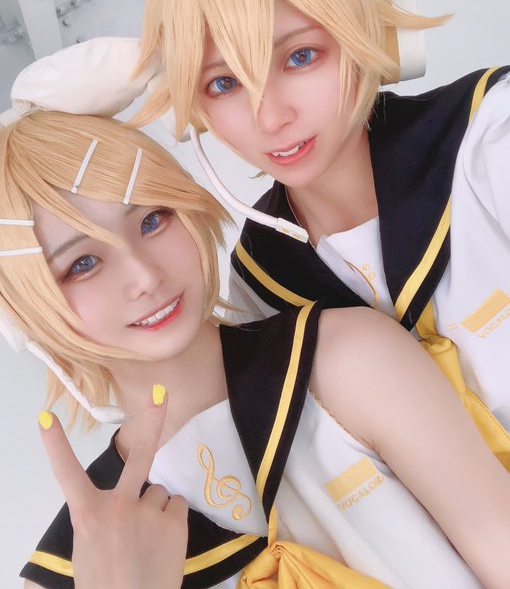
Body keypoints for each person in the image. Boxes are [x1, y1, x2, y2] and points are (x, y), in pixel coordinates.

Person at [1, 45, 509, 589]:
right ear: (22, 308)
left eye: (152, 220)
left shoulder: (348, 359)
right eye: (82, 264)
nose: (144, 276)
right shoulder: (69, 569)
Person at [135, 0, 510, 464]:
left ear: (366, 28)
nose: (270, 117)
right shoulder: (257, 289)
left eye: (301, 56)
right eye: (224, 83)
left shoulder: (491, 138)